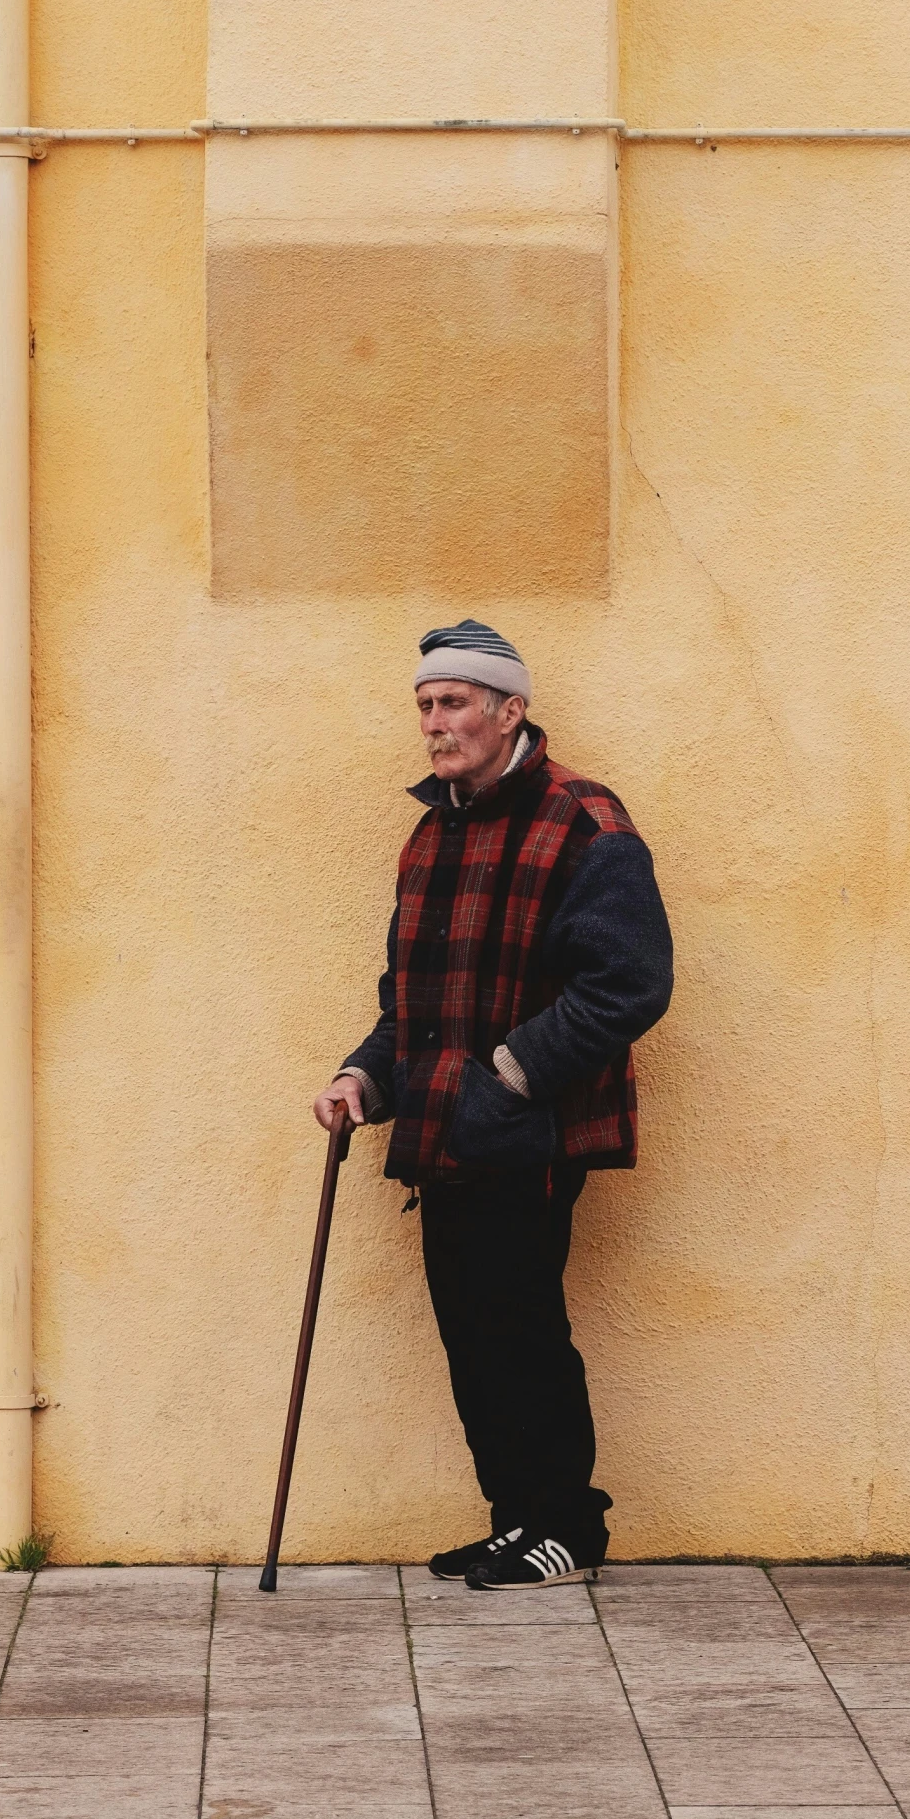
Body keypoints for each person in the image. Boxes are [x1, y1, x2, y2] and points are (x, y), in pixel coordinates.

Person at [314, 620, 673, 1588]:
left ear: (510, 709)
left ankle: (569, 1527)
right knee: (474, 1335)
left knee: (520, 1331)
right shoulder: (435, 834)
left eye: (456, 702)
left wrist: (508, 1074)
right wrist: (364, 1077)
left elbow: (630, 982)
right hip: (445, 1133)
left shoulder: (583, 819)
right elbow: (412, 1001)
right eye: (426, 704)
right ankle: (518, 1519)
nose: (436, 722)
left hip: (531, 1130)